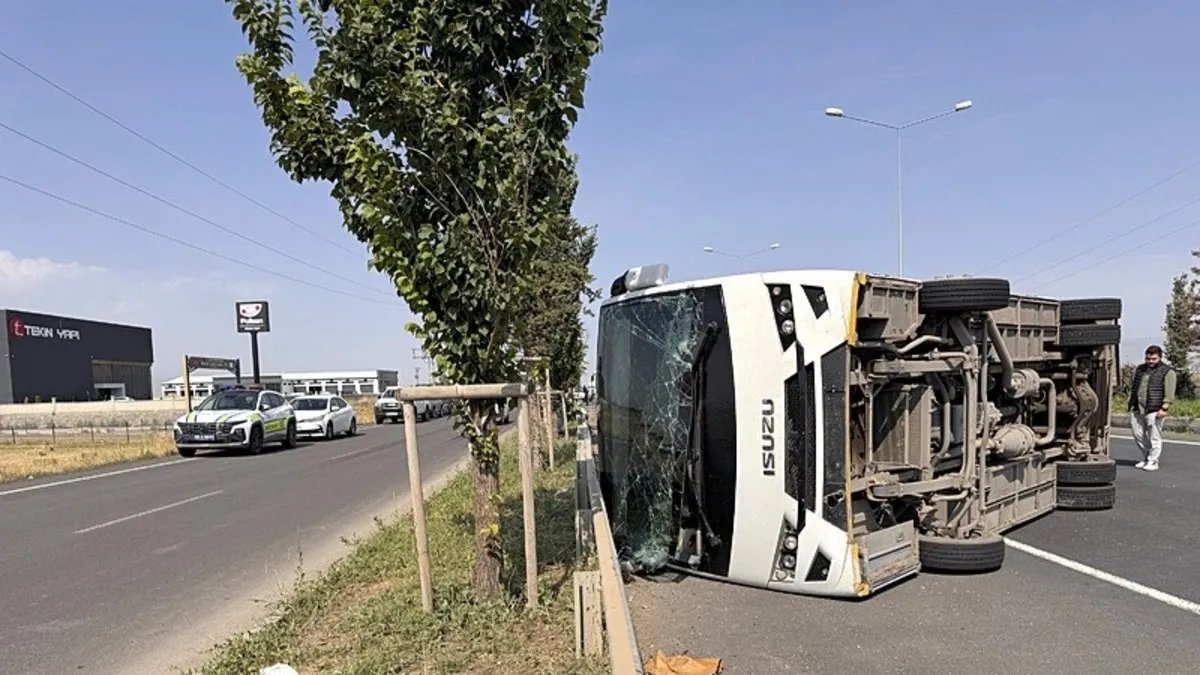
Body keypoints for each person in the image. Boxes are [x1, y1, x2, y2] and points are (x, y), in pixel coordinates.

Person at [1128, 344, 1177, 471]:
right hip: (1138, 408)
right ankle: (1147, 457)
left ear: (1160, 357)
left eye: (1154, 359)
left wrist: (1164, 408)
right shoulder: (1140, 369)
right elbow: (1135, 387)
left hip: (1155, 408)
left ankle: (1153, 461)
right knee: (1138, 434)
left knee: (1154, 436)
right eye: (1148, 358)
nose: (1150, 361)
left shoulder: (1167, 371)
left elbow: (1170, 392)